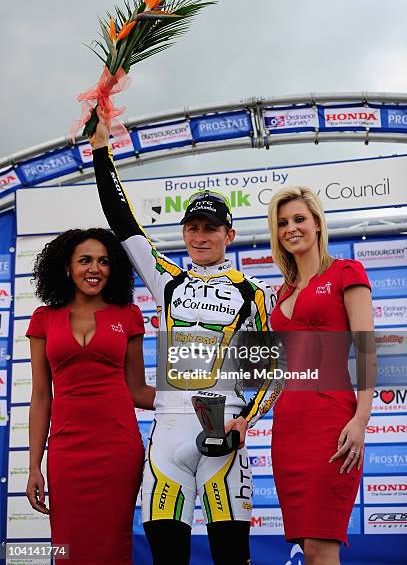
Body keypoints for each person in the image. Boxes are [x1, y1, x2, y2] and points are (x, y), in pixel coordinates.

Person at [90, 121, 282, 565]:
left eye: (210, 228)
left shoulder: (251, 291)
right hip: (168, 435)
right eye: (192, 227)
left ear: (228, 235)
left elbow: (273, 373)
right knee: (167, 558)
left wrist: (244, 421)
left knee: (232, 558)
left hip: (223, 433)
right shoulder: (168, 282)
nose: (200, 236)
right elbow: (124, 223)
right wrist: (102, 150)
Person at [26, 228, 154, 565]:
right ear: (67, 266)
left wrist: (194, 398)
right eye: (85, 260)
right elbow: (41, 397)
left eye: (103, 261)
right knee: (67, 550)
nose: (94, 268)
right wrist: (33, 466)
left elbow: (137, 391)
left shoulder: (128, 315)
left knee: (114, 548)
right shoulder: (44, 319)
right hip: (67, 452)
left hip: (117, 450)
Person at [268, 186, 375, 565]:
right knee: (306, 549)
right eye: (282, 223)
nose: (291, 228)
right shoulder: (280, 294)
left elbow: (366, 351)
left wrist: (361, 419)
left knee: (320, 549)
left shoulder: (347, 271)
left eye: (299, 219)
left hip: (331, 422)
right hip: (287, 428)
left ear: (316, 224)